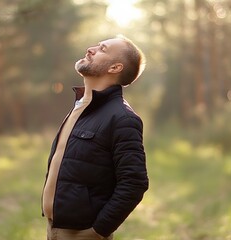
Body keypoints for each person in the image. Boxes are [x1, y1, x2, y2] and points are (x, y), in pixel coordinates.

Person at [42, 35, 149, 240]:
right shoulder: (81, 106)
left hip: (82, 234)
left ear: (115, 68)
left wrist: (98, 231)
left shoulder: (122, 118)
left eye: (102, 49)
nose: (91, 49)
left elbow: (134, 182)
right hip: (54, 228)